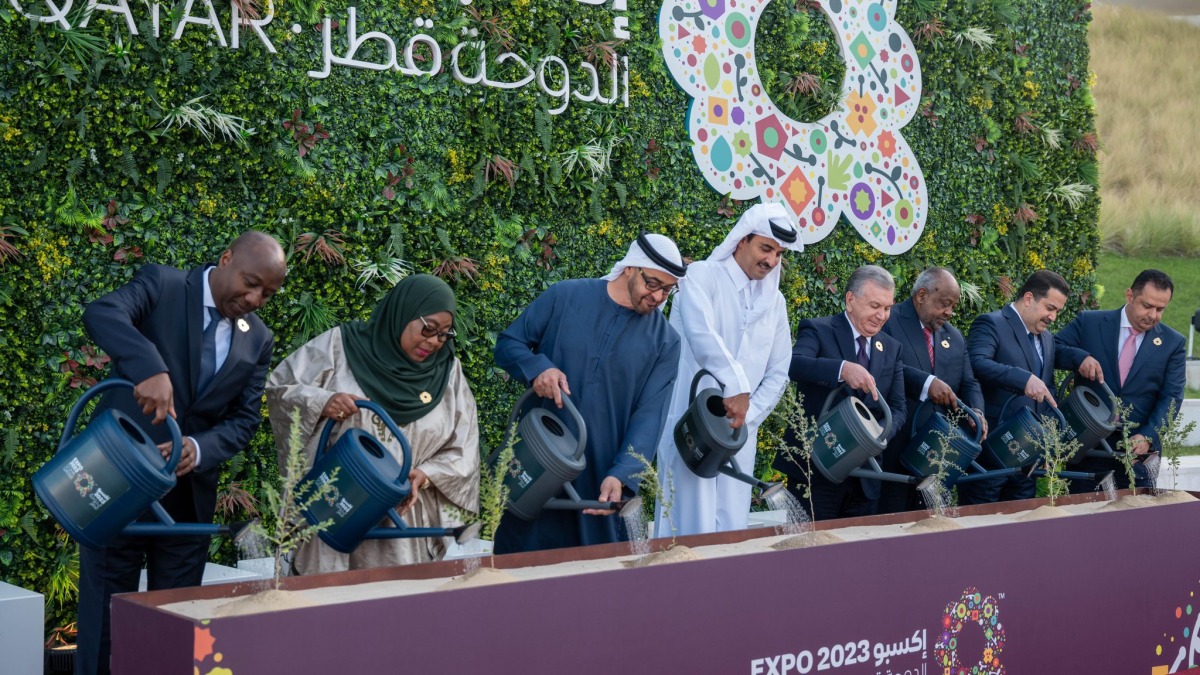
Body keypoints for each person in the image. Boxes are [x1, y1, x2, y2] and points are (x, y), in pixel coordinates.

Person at [77, 231, 287, 675]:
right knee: (104, 622)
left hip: (188, 503)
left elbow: (245, 421)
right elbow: (102, 312)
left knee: (174, 625)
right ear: (225, 256)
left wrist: (199, 447)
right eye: (250, 283)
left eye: (267, 293)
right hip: (118, 484)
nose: (254, 299)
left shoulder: (259, 339)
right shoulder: (163, 284)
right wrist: (148, 366)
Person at [265, 274, 480, 572]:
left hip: (402, 527)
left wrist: (423, 474)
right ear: (402, 314)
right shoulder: (341, 347)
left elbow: (464, 449)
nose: (433, 342)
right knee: (327, 605)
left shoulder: (449, 374)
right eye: (428, 329)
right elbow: (280, 391)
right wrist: (322, 402)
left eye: (444, 334)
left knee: (394, 608)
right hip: (337, 507)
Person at [493, 233, 684, 553]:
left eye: (668, 289)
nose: (659, 297)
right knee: (518, 574)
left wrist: (623, 476)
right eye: (653, 284)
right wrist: (538, 367)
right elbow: (508, 344)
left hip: (600, 483)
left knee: (597, 584)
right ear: (630, 269)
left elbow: (650, 416)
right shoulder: (565, 297)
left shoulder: (665, 342)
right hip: (536, 463)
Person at [654, 203, 803, 537]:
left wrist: (744, 417)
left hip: (737, 434)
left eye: (779, 253)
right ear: (740, 241)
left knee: (731, 527)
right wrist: (737, 387)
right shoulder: (701, 277)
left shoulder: (774, 302)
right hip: (691, 423)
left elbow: (779, 370)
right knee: (685, 524)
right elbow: (701, 335)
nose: (771, 260)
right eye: (766, 248)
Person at [773, 265, 908, 521]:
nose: (881, 315)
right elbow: (793, 364)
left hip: (866, 478)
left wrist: (875, 436)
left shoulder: (892, 348)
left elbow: (899, 409)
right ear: (850, 300)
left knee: (857, 555)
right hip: (816, 471)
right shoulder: (818, 329)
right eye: (875, 306)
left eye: (887, 308)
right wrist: (843, 369)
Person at [962, 269, 1102, 505]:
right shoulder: (991, 323)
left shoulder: (1047, 338)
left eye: (1058, 311)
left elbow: (1046, 388)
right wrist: (1023, 379)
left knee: (1021, 527)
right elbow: (976, 364)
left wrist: (1047, 444)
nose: (1053, 317)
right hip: (992, 452)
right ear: (1028, 299)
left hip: (1028, 460)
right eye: (1050, 308)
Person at [1055, 269, 1185, 492]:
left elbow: (1171, 397)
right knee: (1079, 519)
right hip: (1087, 444)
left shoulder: (1173, 343)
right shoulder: (1089, 322)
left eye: (1160, 309)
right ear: (1130, 296)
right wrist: (1080, 358)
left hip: (1137, 453)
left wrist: (1148, 436)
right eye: (1147, 306)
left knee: (1132, 522)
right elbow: (1053, 349)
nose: (1153, 315)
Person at [878, 267, 986, 513]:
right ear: (922, 295)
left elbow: (969, 382)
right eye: (945, 304)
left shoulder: (954, 337)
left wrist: (977, 411)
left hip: (938, 453)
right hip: (896, 449)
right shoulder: (887, 320)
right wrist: (926, 382)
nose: (949, 312)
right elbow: (881, 368)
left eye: (953, 306)